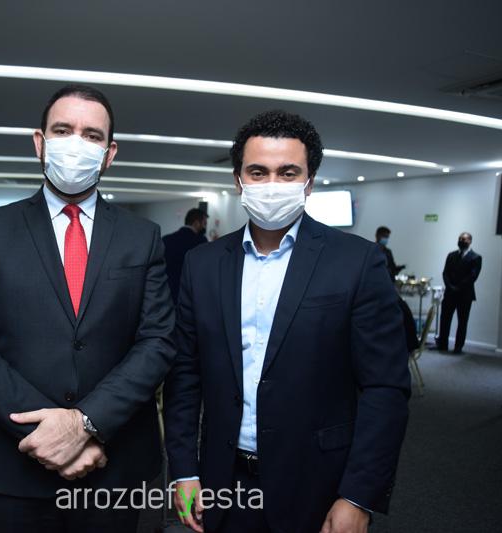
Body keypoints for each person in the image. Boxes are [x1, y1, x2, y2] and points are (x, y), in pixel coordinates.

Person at [164, 110, 411, 533]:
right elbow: (185, 374)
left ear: (309, 182)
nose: (272, 184)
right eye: (258, 172)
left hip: (317, 482)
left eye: (288, 172)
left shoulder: (356, 262)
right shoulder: (202, 264)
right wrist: (184, 470)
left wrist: (358, 495)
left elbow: (384, 388)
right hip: (223, 479)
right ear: (239, 180)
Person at [0, 84, 176, 533]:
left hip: (113, 459)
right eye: (63, 130)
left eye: (92, 135)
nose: (76, 143)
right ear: (40, 142)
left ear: (109, 154)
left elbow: (158, 341)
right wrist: (54, 433)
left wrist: (86, 423)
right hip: (16, 463)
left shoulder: (142, 236)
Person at [435, 232, 482, 354]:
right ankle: (443, 344)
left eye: (464, 239)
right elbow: (445, 273)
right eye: (460, 239)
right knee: (445, 319)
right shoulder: (451, 255)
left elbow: (473, 276)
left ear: (470, 241)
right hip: (450, 293)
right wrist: (450, 286)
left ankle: (458, 347)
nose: (461, 241)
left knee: (462, 322)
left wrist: (458, 287)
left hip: (465, 295)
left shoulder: (476, 257)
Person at [163, 208, 208, 302]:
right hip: (191, 293)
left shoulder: (166, 239)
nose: (205, 227)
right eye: (204, 223)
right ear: (196, 223)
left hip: (168, 291)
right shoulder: (201, 242)